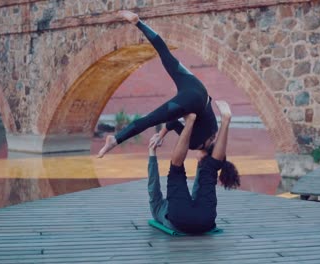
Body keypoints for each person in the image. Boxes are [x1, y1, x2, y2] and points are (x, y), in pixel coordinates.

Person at [98, 10, 218, 158]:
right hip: (191, 100)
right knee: (149, 120)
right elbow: (173, 122)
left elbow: (177, 121)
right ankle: (115, 140)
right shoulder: (195, 144)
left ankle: (138, 22)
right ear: (204, 152)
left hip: (198, 87)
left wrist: (162, 134)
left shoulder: (214, 129)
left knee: (165, 53)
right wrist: (162, 135)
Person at [147, 101, 240, 234]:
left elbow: (153, 185)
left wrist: (152, 154)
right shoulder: (161, 206)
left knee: (202, 171)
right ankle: (197, 121)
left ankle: (225, 121)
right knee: (176, 169)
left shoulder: (158, 208)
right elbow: (153, 186)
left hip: (201, 220)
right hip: (201, 220)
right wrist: (152, 152)